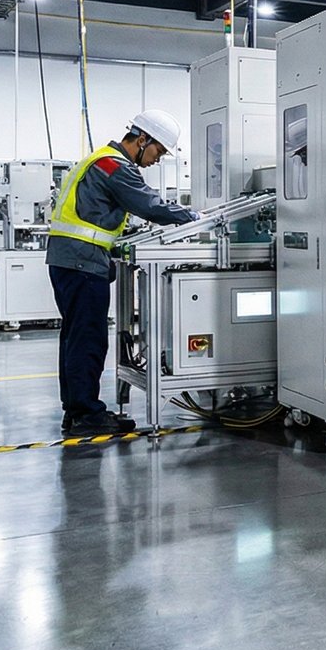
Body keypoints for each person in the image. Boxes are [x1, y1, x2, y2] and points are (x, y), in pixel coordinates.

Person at [47, 111, 197, 435]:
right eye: (158, 151)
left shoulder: (100, 158)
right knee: (88, 339)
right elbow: (151, 206)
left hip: (69, 260)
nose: (157, 160)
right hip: (82, 263)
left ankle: (74, 410)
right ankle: (86, 414)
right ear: (142, 139)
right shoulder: (116, 167)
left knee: (74, 337)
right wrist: (194, 217)